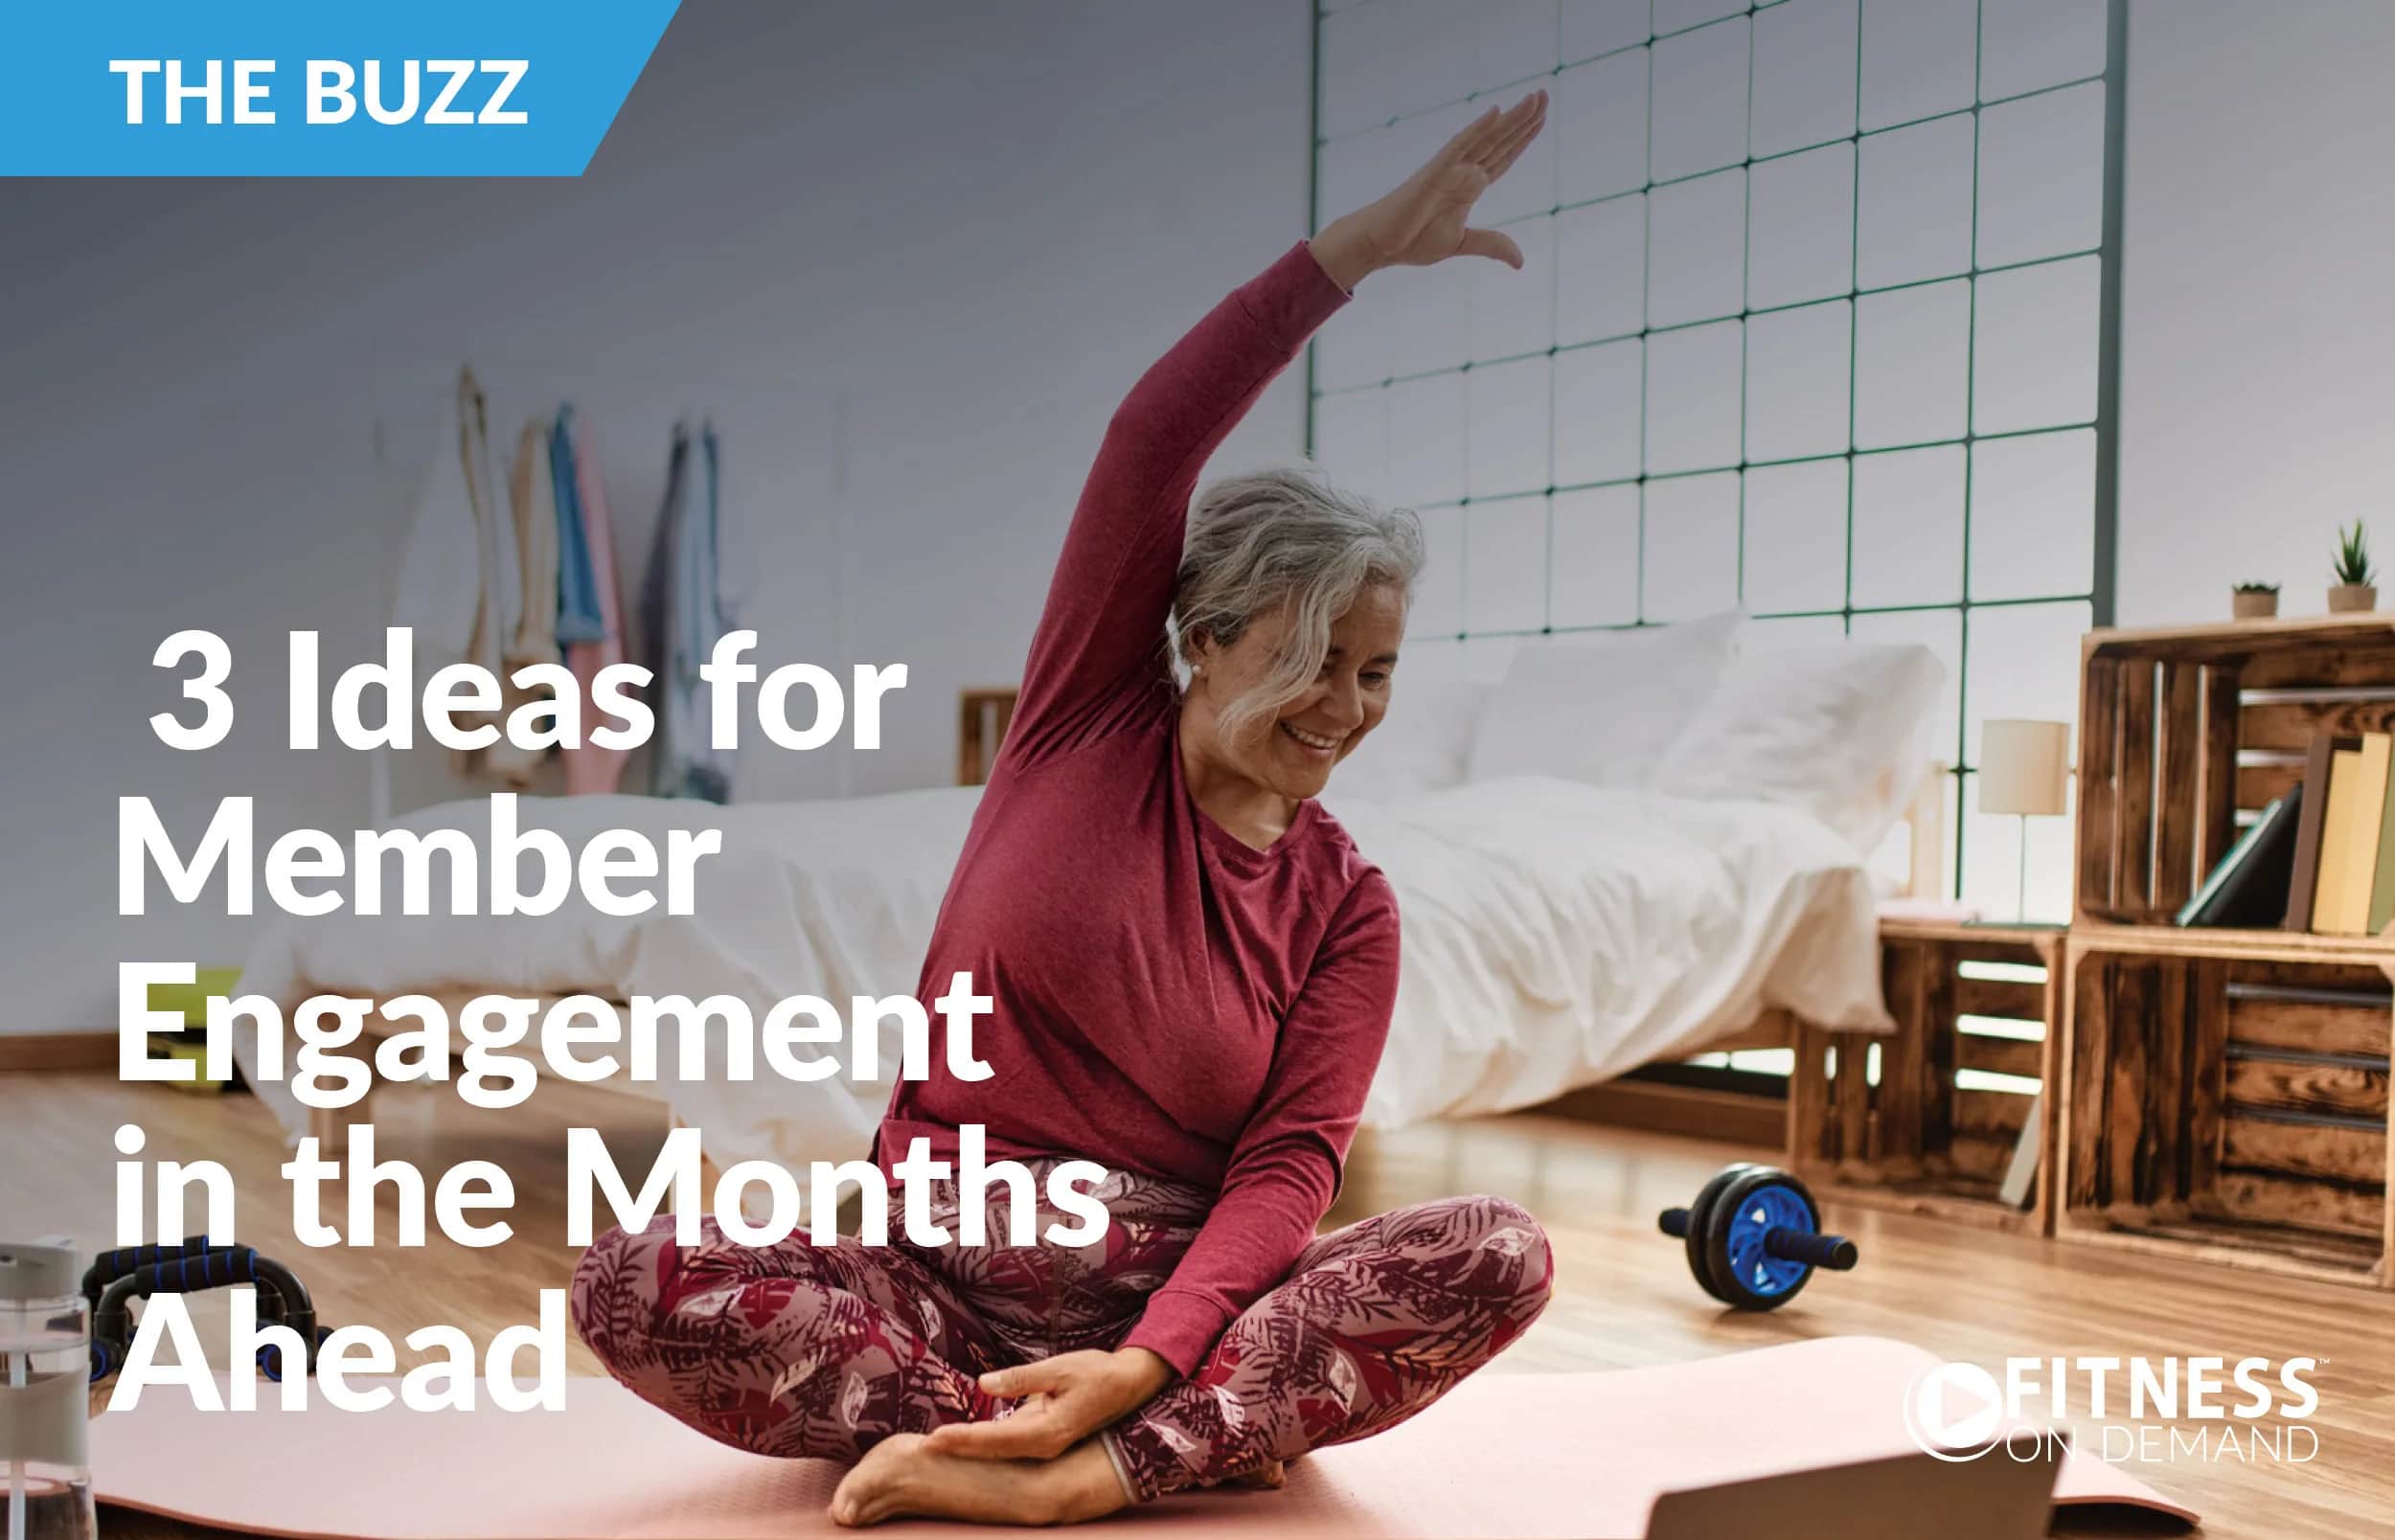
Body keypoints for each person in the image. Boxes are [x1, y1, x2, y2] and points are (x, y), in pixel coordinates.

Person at [570, 89, 1555, 1528]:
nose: (1345, 705)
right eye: (1309, 658)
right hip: (933, 1296)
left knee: (1500, 1251)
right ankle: (1087, 1442)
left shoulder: (1351, 907)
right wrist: (1347, 255)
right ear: (1205, 638)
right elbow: (1153, 437)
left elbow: (1289, 1169)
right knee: (630, 1275)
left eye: (1377, 670)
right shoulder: (1085, 719)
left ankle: (1083, 1471)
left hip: (1182, 1321)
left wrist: (1143, 1363)